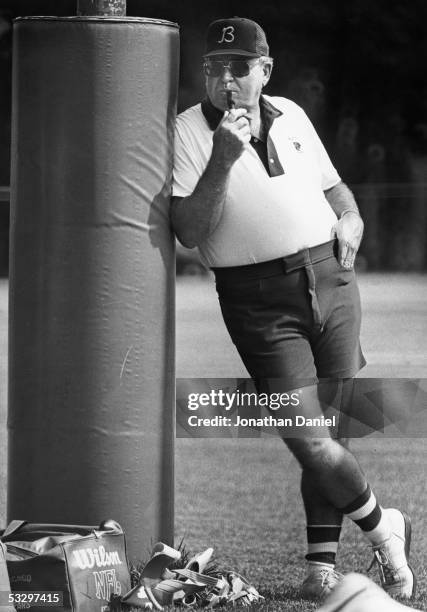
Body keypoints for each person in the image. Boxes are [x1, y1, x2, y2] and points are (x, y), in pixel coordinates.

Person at [170, 16, 415, 600]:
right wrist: (224, 157)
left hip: (333, 281)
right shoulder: (185, 131)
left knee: (336, 431)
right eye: (214, 69)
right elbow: (187, 230)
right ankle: (386, 533)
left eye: (239, 68)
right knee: (307, 436)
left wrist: (353, 217)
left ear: (265, 71)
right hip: (257, 301)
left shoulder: (294, 114)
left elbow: (336, 190)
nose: (226, 80)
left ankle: (321, 564)